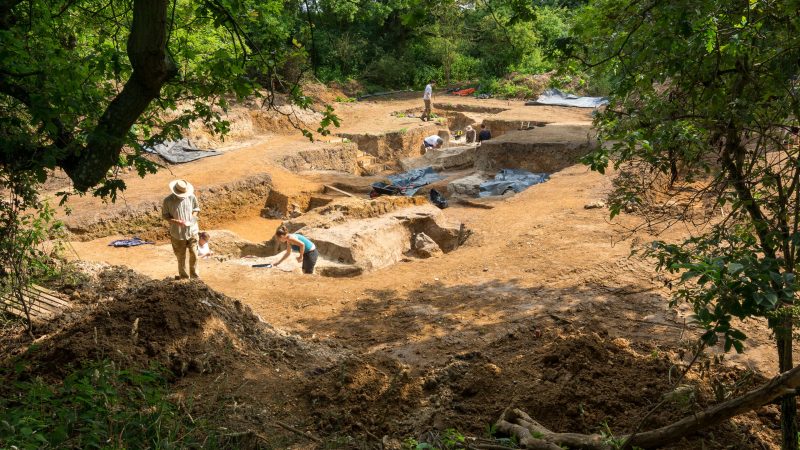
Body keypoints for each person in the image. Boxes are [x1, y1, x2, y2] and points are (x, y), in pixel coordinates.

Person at [162, 179, 201, 279]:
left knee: (195, 254)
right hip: (177, 233)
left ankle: (194, 276)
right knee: (181, 257)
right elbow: (165, 216)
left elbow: (196, 209)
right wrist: (176, 221)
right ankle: (184, 277)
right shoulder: (168, 201)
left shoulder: (191, 197)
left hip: (192, 231)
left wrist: (192, 218)